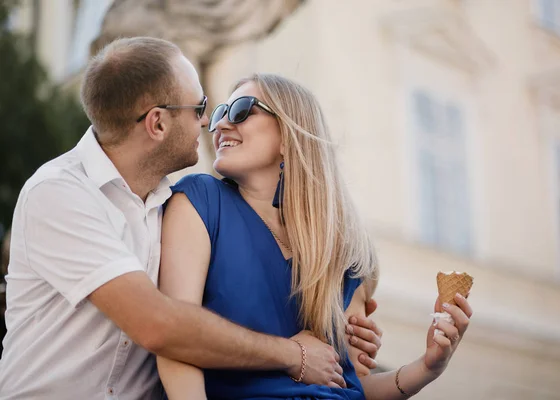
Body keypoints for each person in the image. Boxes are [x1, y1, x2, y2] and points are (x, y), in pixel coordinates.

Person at [0, 37, 381, 400]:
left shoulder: (177, 203)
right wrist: (292, 354)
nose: (210, 125)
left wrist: (345, 336)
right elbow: (159, 325)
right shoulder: (60, 193)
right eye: (201, 110)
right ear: (158, 123)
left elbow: (225, 305)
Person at [157, 73, 474, 399]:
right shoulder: (200, 201)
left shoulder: (343, 250)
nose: (221, 124)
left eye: (240, 110)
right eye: (220, 112)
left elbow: (352, 384)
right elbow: (174, 337)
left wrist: (428, 366)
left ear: (288, 132)